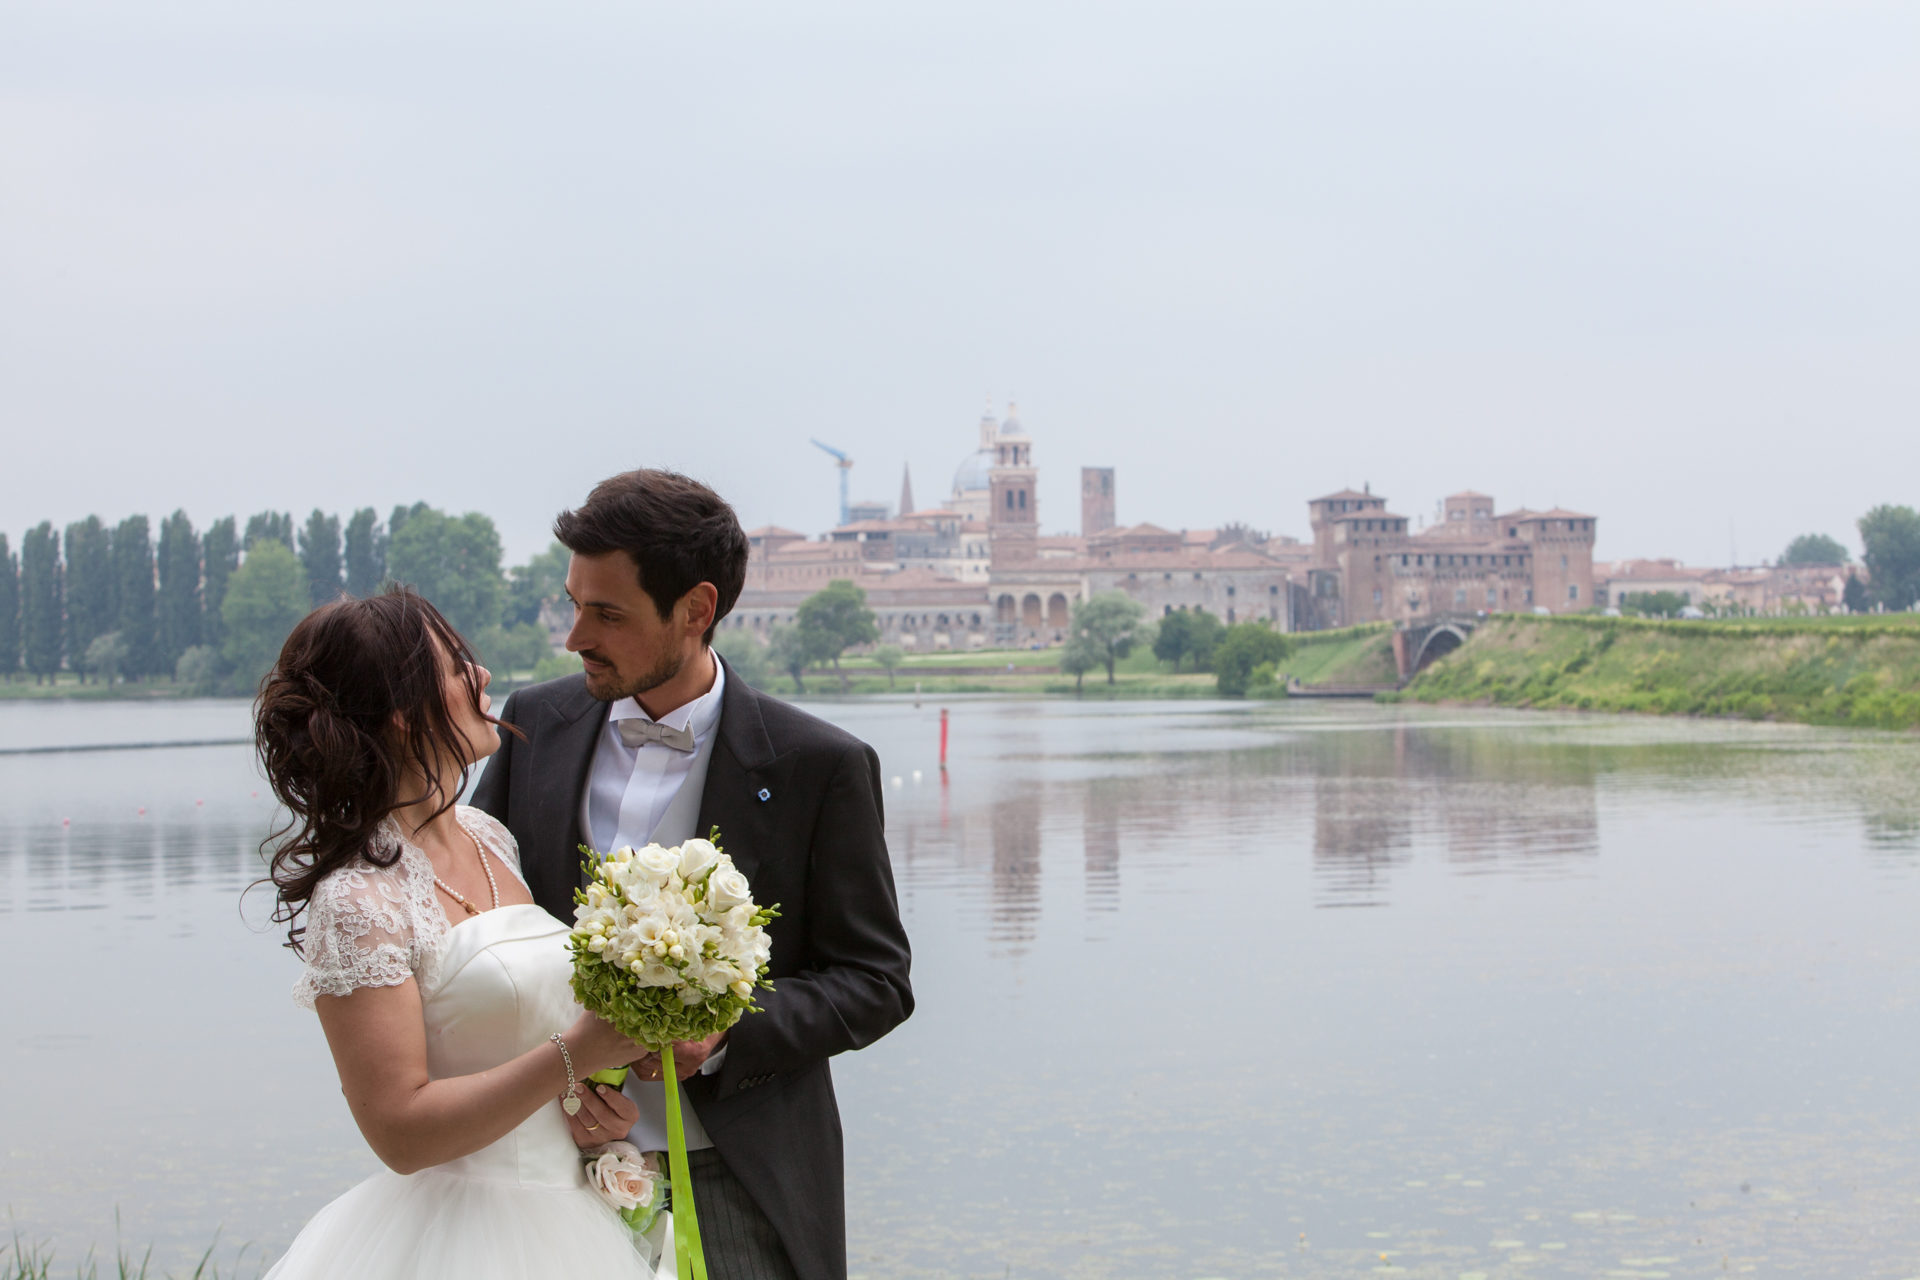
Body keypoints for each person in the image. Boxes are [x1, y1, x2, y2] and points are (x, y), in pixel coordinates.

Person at [472, 469, 914, 1280]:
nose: (576, 637)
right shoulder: (531, 727)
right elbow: (476, 928)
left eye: (607, 614)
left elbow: (876, 981)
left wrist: (723, 1035)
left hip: (736, 1180)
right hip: (537, 1174)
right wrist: (547, 1077)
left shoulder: (822, 766)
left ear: (696, 610)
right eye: (574, 604)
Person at [254, 589, 660, 1279]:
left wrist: (593, 1103)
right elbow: (400, 1132)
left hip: (567, 1222)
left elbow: (512, 1037)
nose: (483, 678)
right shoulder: (357, 899)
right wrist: (577, 1052)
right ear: (403, 717)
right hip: (459, 1237)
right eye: (456, 668)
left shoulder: (488, 836)